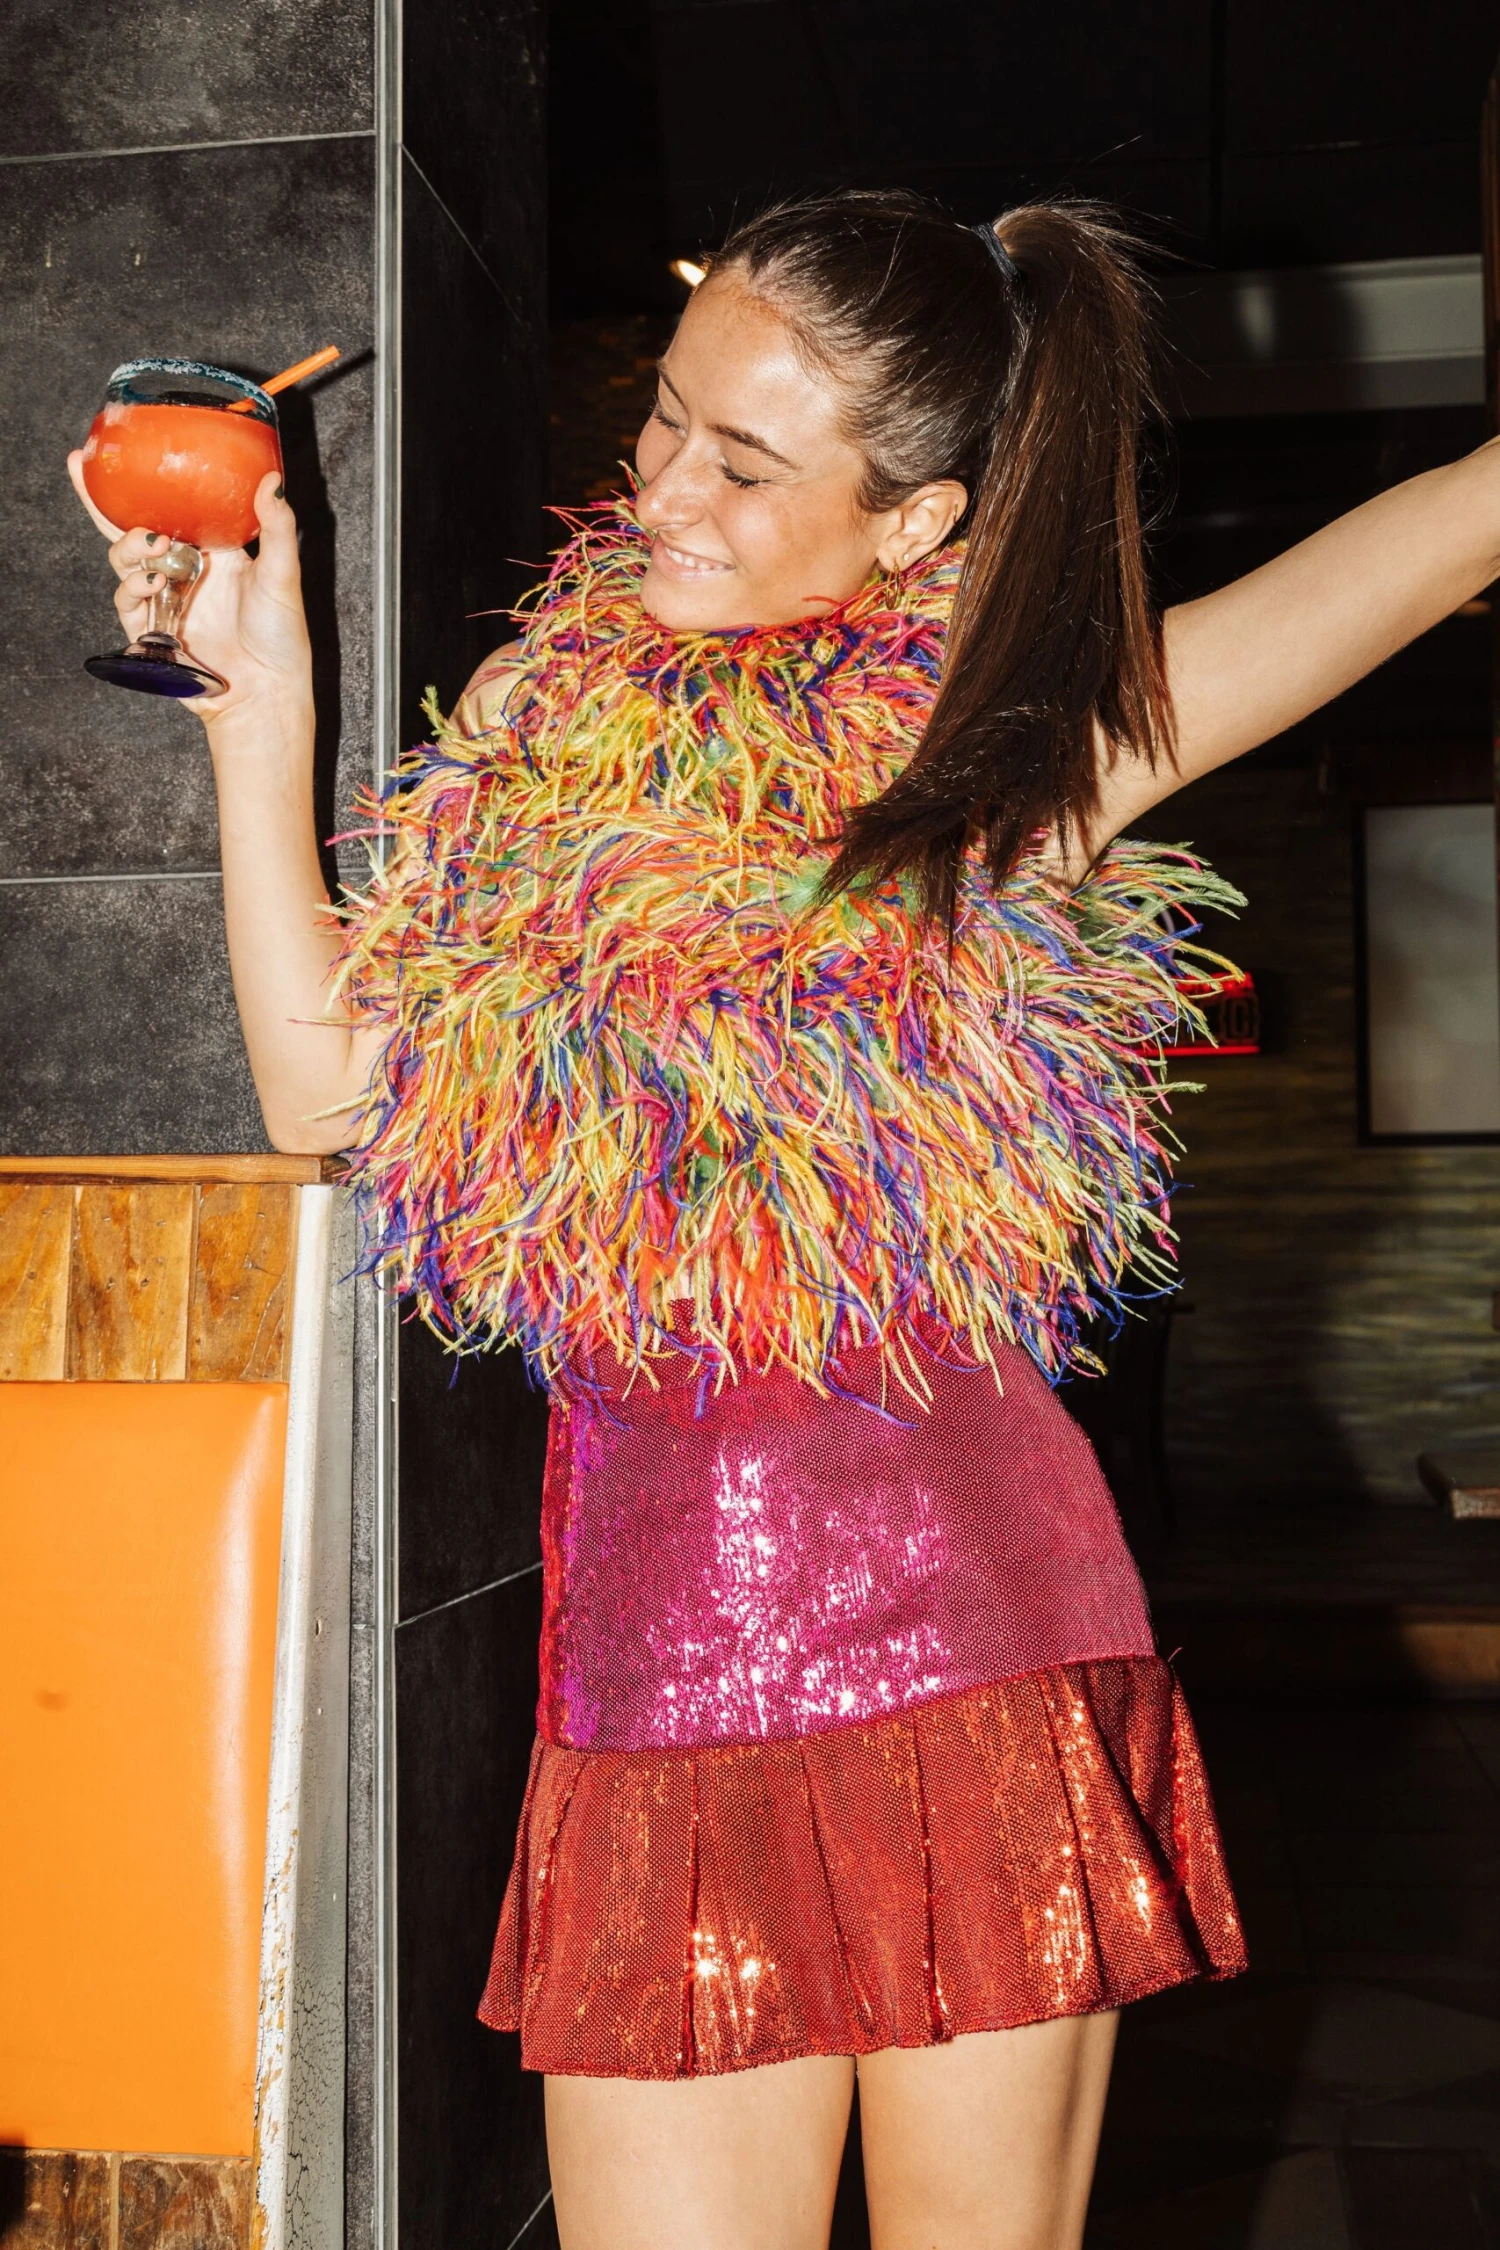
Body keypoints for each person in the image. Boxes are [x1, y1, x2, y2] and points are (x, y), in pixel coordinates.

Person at [72, 189, 1500, 2250]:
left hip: (976, 1653)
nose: (662, 488)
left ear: (916, 525)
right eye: (664, 422)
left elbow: (1441, 524)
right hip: (654, 1676)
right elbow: (328, 1097)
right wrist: (257, 699)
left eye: (745, 464)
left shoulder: (1012, 758)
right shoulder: (528, 734)